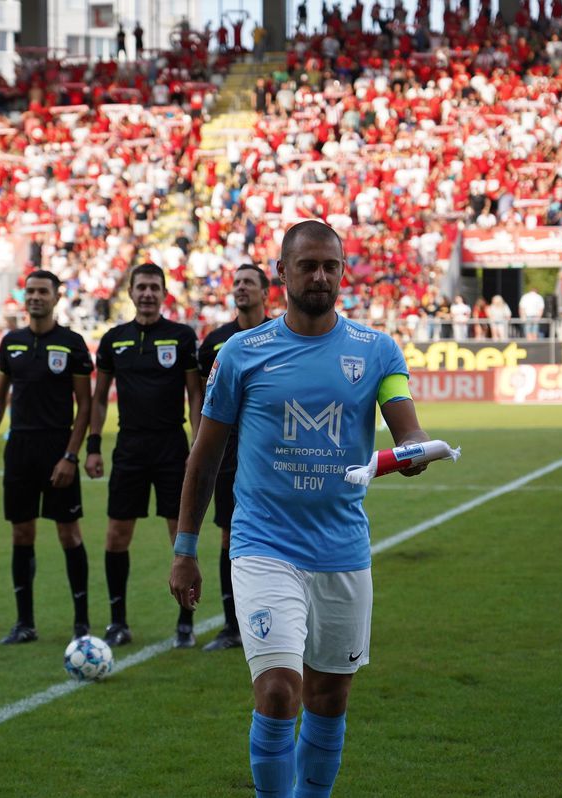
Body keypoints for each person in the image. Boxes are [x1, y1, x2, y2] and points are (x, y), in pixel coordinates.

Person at [169, 220, 434, 798]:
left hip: (342, 550)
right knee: (278, 691)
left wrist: (414, 451)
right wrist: (185, 550)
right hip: (265, 547)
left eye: (330, 266)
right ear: (282, 273)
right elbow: (204, 459)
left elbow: (406, 426)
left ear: (342, 273)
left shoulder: (377, 350)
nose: (319, 276)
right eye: (307, 265)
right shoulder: (241, 354)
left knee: (329, 698)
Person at [86, 262, 203, 648]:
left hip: (172, 447)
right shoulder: (113, 340)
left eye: (155, 287)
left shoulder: (181, 337)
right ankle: (117, 622)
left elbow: (195, 395)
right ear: (131, 292)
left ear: (164, 293)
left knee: (180, 537)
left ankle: (185, 623)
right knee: (117, 535)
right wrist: (93, 446)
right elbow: (98, 399)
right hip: (129, 448)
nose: (148, 293)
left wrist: (197, 445)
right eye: (142, 287)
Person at [0, 270, 94, 644]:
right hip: (20, 450)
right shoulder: (11, 343)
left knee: (68, 533)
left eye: (43, 291)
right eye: (30, 291)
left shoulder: (72, 344)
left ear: (56, 298)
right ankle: (24, 623)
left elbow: (86, 405)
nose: (35, 297)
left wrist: (70, 456)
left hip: (57, 449)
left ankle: (81, 622)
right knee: (21, 532)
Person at [195, 264, 270, 652]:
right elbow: (202, 400)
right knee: (229, 534)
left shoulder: (283, 334)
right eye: (236, 282)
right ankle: (232, 626)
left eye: (248, 283)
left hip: (272, 453)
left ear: (266, 292)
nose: (240, 288)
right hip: (228, 455)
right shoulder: (215, 342)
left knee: (280, 531)